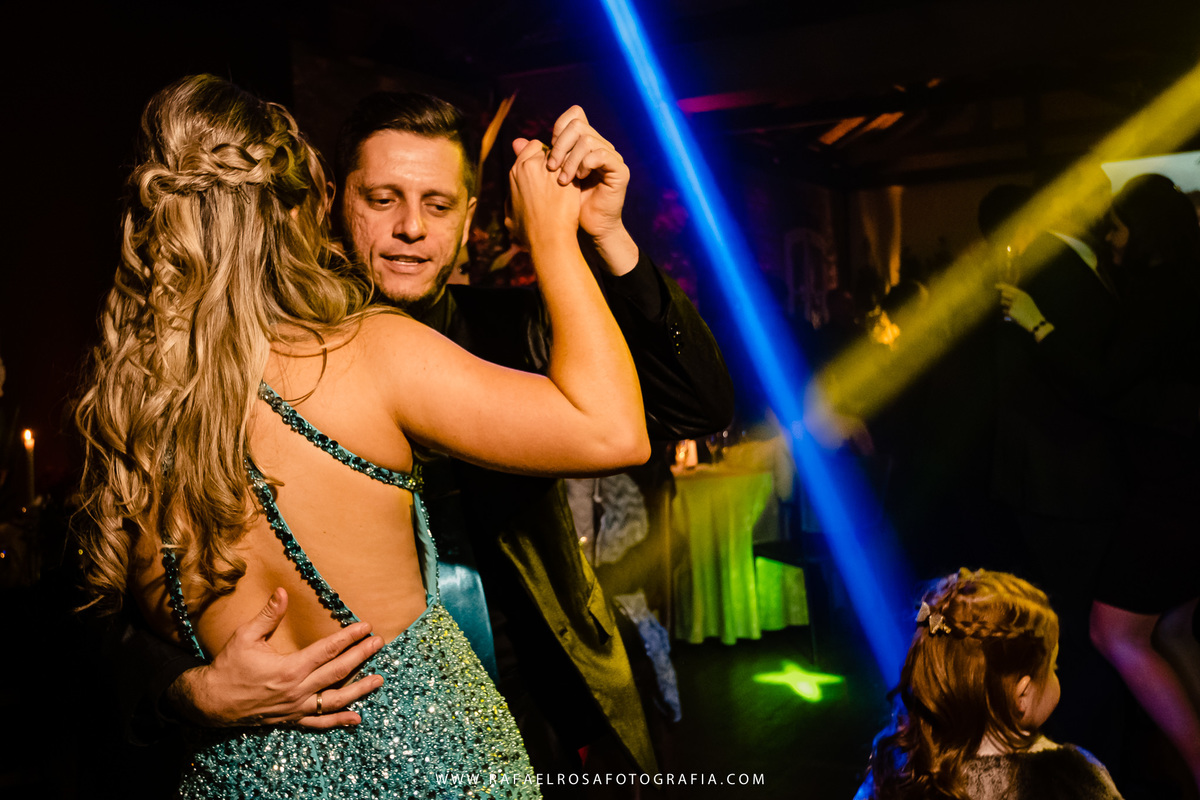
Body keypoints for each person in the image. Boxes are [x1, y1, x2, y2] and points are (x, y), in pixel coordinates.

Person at [106, 90, 735, 783]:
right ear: (333, 201)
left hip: (534, 702)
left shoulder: (523, 327)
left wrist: (609, 237)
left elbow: (698, 407)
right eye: (383, 199)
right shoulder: (215, 372)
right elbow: (101, 607)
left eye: (437, 205)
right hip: (318, 739)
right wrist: (187, 689)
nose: (411, 227)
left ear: (469, 217)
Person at [999, 173, 1200, 794]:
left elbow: (1106, 382)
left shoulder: (1163, 291)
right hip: (1177, 477)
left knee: (1111, 632)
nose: (1112, 236)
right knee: (1173, 628)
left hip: (1172, 484)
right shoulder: (1179, 280)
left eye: (1119, 225)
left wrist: (1037, 325)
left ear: (1146, 231)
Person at [854, 569, 1123, 800]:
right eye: (1053, 667)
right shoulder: (1073, 779)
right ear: (1022, 694)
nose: (1056, 675)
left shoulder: (898, 771)